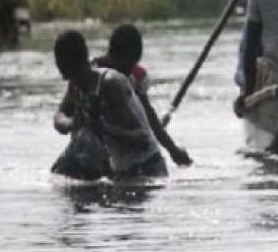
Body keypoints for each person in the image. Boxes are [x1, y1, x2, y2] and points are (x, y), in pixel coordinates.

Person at [52, 30, 168, 179]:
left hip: (146, 168)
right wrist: (73, 123)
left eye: (76, 71)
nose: (75, 78)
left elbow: (141, 139)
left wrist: (103, 128)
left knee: (87, 139)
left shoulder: (110, 84)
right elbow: (59, 117)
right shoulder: (75, 84)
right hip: (118, 171)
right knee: (69, 162)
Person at [93, 24, 192, 167]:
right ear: (113, 54)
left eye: (133, 64)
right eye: (127, 65)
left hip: (126, 146)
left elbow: (148, 116)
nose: (128, 71)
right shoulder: (92, 74)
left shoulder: (136, 77)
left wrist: (173, 150)